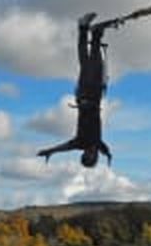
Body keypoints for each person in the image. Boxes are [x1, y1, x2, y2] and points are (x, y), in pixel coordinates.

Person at [38, 12, 112, 167]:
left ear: (85, 154)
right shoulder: (98, 145)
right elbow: (105, 150)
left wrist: (50, 150)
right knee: (92, 63)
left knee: (89, 63)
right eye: (95, 156)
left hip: (85, 96)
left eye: (90, 155)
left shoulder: (81, 143)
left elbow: (65, 147)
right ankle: (92, 31)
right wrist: (108, 155)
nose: (93, 153)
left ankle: (87, 29)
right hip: (95, 96)